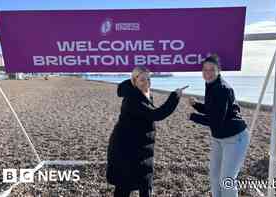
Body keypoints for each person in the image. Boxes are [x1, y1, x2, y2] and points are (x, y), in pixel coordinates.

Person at [106, 66, 185, 197]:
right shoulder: (133, 98)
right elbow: (157, 114)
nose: (147, 82)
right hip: (126, 148)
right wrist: (175, 96)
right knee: (126, 184)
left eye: (148, 79)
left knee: (143, 182)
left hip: (139, 146)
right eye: (142, 80)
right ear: (134, 81)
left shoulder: (144, 92)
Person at [188, 54, 250, 197]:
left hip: (235, 137)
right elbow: (213, 111)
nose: (208, 73)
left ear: (219, 70)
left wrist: (193, 116)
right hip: (218, 137)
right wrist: (196, 105)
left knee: (226, 179)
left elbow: (216, 120)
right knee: (214, 176)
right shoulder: (211, 85)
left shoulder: (222, 88)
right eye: (205, 70)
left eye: (212, 70)